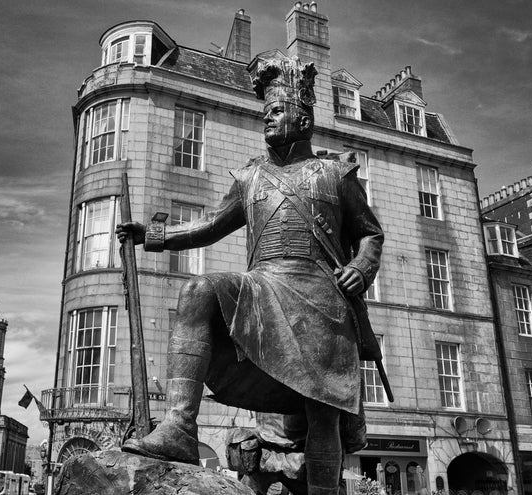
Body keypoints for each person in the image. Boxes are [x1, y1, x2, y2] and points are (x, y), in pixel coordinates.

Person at [116, 51, 384, 495]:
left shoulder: (335, 173)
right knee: (200, 289)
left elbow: (371, 233)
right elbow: (210, 226)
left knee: (322, 414)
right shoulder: (250, 178)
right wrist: (153, 235)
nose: (267, 120)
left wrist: (361, 266)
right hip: (264, 286)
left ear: (302, 118)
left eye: (277, 111)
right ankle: (180, 426)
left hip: (322, 298)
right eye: (265, 114)